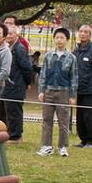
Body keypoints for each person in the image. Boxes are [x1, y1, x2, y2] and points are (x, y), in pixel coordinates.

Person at [37, 28, 78, 157]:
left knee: (63, 121)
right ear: (54, 39)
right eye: (57, 37)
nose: (59, 40)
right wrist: (41, 91)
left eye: (62, 37)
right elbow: (43, 74)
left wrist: (72, 95)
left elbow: (74, 77)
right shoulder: (49, 56)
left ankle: (63, 147)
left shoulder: (71, 58)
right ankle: (47, 146)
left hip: (64, 93)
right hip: (49, 91)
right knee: (47, 120)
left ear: (66, 40)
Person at [0, 26, 33, 143]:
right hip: (7, 85)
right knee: (7, 110)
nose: (9, 36)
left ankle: (16, 136)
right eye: (7, 34)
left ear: (17, 35)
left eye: (11, 34)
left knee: (15, 111)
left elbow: (27, 68)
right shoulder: (7, 48)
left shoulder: (19, 49)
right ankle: (9, 133)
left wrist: (27, 82)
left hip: (16, 85)